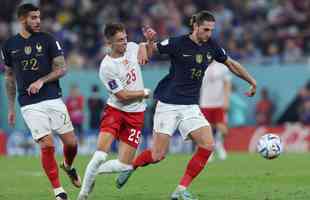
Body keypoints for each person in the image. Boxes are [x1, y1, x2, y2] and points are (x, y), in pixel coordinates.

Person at [116, 10, 257, 200]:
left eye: (211, 30)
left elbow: (231, 63)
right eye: (205, 29)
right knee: (157, 155)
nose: (209, 34)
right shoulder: (177, 43)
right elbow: (151, 52)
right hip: (168, 103)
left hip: (190, 105)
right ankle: (131, 166)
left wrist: (251, 80)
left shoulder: (212, 46)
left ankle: (180, 190)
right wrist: (145, 44)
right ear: (195, 26)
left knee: (207, 145)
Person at [1, 4, 81, 200]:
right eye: (33, 18)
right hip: (29, 103)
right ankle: (59, 191)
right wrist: (11, 108)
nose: (38, 21)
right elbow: (9, 77)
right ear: (22, 20)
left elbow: (62, 69)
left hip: (53, 98)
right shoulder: (9, 45)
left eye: (39, 17)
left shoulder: (48, 40)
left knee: (71, 144)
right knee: (46, 145)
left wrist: (41, 80)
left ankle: (68, 166)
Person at [77, 23, 156, 200]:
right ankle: (83, 194)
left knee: (125, 166)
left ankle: (93, 173)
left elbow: (147, 57)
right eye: (120, 40)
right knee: (99, 156)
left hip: (136, 114)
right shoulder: (106, 67)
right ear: (109, 43)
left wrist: (148, 42)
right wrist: (144, 92)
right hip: (116, 111)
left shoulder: (133, 48)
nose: (125, 43)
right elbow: (121, 95)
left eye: (126, 38)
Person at [199, 61, 231, 161]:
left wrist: (226, 100)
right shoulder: (200, 64)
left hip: (219, 103)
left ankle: (219, 144)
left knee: (223, 129)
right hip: (205, 103)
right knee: (207, 129)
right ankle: (210, 150)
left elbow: (227, 84)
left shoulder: (222, 66)